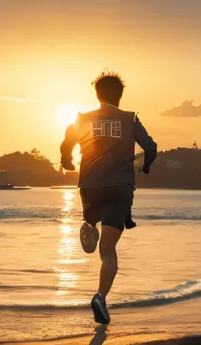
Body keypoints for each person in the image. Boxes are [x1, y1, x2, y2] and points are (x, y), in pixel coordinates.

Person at [59, 71, 157, 325]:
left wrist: (66, 161)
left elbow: (67, 143)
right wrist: (145, 166)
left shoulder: (82, 119)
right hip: (120, 188)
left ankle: (89, 223)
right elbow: (150, 147)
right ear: (120, 96)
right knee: (108, 250)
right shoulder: (129, 119)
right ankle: (100, 296)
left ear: (97, 94)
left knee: (93, 214)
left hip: (90, 186)